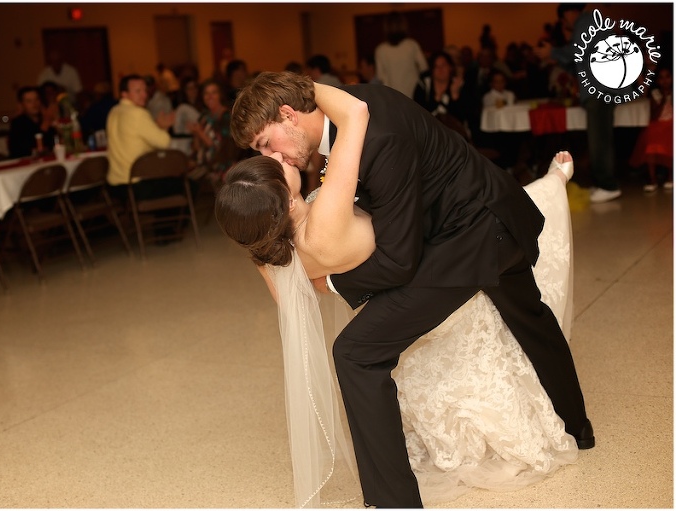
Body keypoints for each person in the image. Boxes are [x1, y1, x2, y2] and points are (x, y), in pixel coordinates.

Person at [229, 72, 594, 508]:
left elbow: (400, 261)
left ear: (288, 115)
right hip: (491, 210)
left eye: (266, 144)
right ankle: (578, 428)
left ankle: (392, 502)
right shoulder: (348, 113)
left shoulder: (374, 135)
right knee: (529, 315)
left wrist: (329, 282)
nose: (272, 158)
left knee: (356, 353)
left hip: (477, 234)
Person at [535, 3, 620, 203]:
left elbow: (578, 51)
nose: (566, 25)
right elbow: (579, 63)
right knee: (600, 138)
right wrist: (556, 57)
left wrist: (553, 53)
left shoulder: (586, 20)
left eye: (564, 21)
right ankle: (605, 184)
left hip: (599, 89)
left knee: (599, 139)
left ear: (568, 13)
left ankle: (608, 185)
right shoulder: (590, 21)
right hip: (601, 87)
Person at [105, 74, 177, 197]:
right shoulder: (137, 113)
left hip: (114, 186)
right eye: (138, 91)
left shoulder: (113, 111)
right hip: (136, 184)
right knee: (188, 185)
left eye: (145, 90)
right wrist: (163, 127)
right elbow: (164, 142)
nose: (144, 95)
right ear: (124, 94)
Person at [630, 66, 673, 192]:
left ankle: (671, 176)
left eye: (667, 77)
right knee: (650, 139)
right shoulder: (655, 94)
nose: (665, 81)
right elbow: (654, 115)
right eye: (661, 78)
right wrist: (664, 99)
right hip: (657, 124)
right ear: (658, 81)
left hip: (671, 124)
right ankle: (652, 178)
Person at [189, 79, 240, 185]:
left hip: (223, 164)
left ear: (220, 95)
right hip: (205, 165)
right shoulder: (203, 116)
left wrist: (200, 133)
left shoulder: (226, 117)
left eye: (214, 93)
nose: (210, 97)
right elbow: (197, 148)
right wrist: (196, 134)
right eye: (206, 94)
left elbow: (218, 147)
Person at [374, 11, 428, 98]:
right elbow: (424, 67)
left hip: (393, 96)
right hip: (414, 94)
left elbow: (380, 76)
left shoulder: (380, 50)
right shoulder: (412, 45)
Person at [8, 86, 57, 159]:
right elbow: (25, 149)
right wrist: (45, 125)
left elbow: (54, 144)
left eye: (36, 99)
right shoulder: (18, 123)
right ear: (22, 104)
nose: (34, 104)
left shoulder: (44, 118)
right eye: (29, 101)